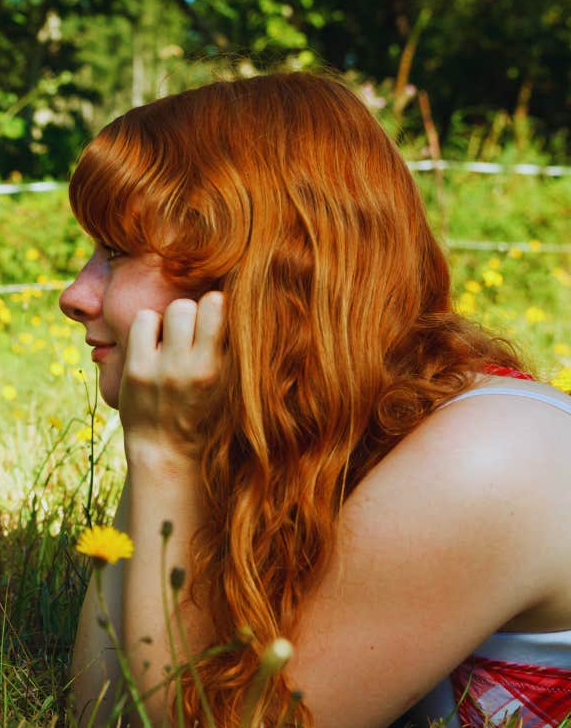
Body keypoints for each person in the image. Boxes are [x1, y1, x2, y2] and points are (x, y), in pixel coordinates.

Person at [61, 72, 571, 727]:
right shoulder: (329, 438)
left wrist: (165, 457)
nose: (75, 294)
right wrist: (152, 449)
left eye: (115, 251)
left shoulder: (487, 456)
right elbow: (105, 711)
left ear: (250, 273)